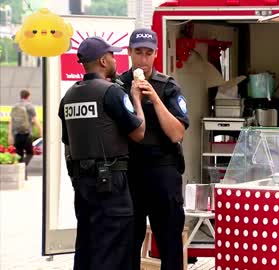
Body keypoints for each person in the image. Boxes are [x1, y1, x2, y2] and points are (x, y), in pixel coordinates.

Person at [58, 36, 146, 270]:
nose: (115, 59)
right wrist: (136, 99)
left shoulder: (69, 96)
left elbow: (68, 141)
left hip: (83, 184)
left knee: (87, 246)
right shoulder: (111, 93)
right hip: (111, 185)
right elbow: (138, 132)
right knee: (114, 248)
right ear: (103, 61)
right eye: (112, 55)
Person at [118, 28, 189, 270]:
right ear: (129, 53)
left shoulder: (167, 86)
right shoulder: (117, 86)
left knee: (169, 243)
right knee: (128, 244)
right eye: (138, 52)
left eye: (149, 53)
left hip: (163, 171)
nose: (143, 59)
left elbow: (177, 133)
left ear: (156, 54)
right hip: (130, 172)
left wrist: (154, 98)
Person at [8, 89, 42, 167]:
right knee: (30, 153)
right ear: (28, 96)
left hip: (17, 135)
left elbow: (11, 122)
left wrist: (10, 135)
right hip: (27, 134)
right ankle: (23, 166)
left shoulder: (15, 106)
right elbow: (35, 120)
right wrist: (41, 131)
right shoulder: (30, 106)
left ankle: (21, 171)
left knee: (19, 155)